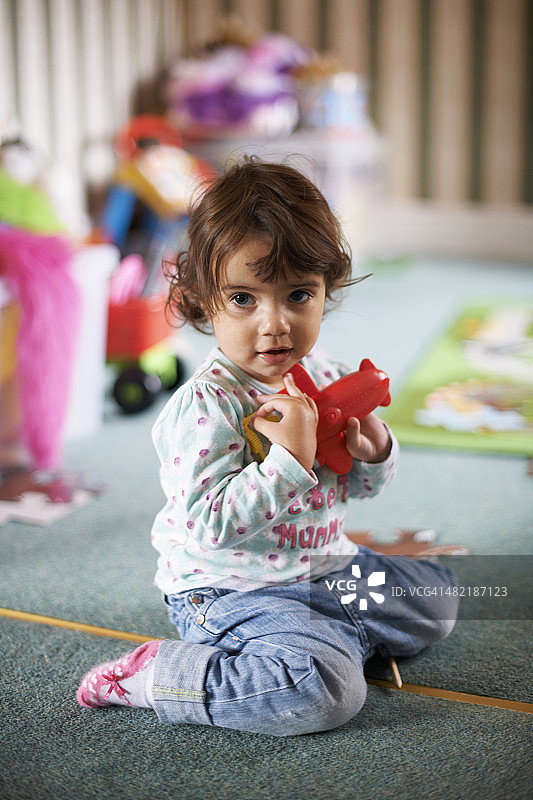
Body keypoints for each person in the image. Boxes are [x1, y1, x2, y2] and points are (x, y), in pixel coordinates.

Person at [77, 159, 458, 736]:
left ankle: (335, 633)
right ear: (205, 299)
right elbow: (211, 525)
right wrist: (287, 462)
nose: (274, 324)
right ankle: (158, 674)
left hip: (327, 565)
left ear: (327, 291)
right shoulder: (205, 406)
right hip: (235, 589)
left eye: (298, 294)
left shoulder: (321, 373)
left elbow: (354, 488)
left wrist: (373, 451)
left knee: (441, 601)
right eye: (243, 299)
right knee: (320, 693)